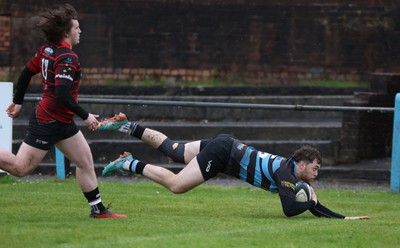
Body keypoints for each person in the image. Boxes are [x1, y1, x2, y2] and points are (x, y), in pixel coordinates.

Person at [97, 113, 370, 220]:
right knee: (177, 185)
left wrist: (344, 218)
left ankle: (128, 126)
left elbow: (314, 205)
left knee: (175, 150)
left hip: (226, 144)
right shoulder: (285, 173)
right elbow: (290, 209)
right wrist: (308, 200)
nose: (316, 174)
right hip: (225, 153)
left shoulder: (294, 175)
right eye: (315, 168)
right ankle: (128, 163)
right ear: (301, 164)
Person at [1, 4, 126, 218]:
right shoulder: (67, 58)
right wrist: (86, 116)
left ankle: (98, 210)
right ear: (66, 32)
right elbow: (62, 94)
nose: (80, 31)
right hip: (48, 121)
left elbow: (25, 72)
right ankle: (97, 210)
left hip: (62, 121)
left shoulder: (47, 50)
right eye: (76, 27)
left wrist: (18, 101)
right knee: (21, 169)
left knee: (84, 161)